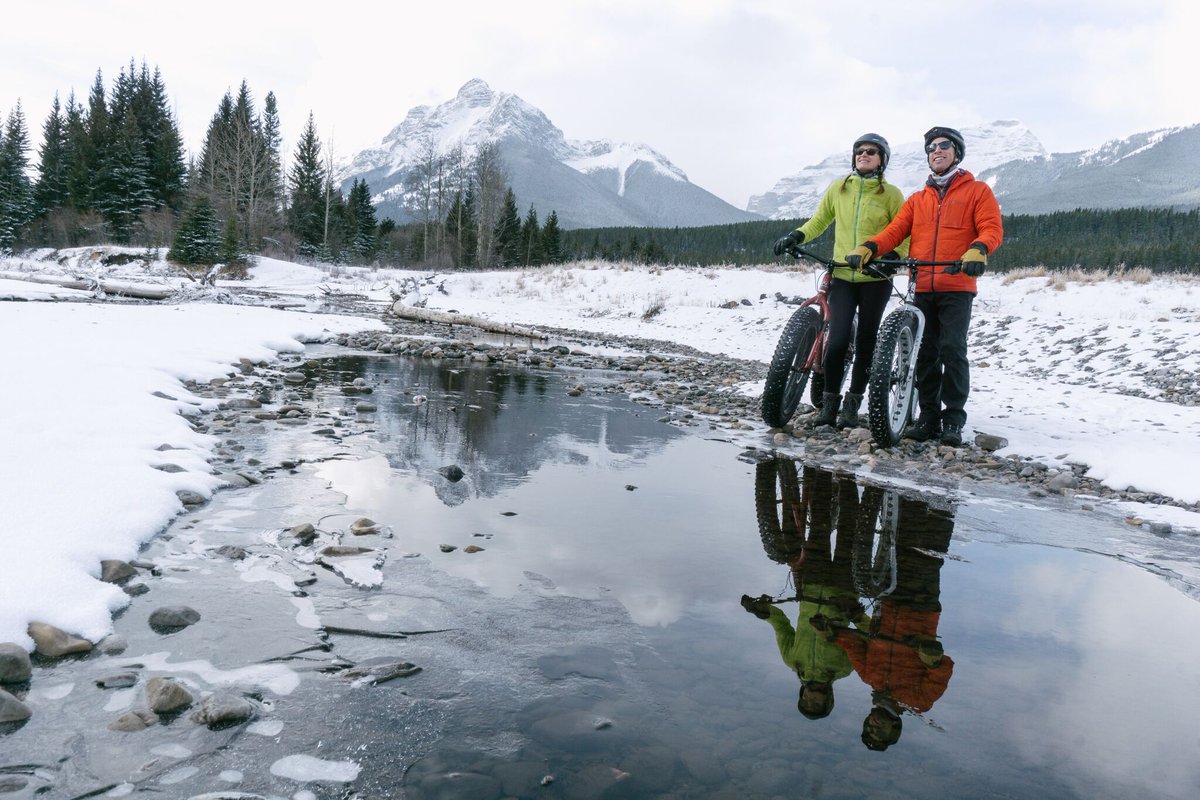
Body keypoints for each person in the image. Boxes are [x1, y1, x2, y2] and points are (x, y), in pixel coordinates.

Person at [845, 126, 1003, 446]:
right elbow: (895, 231)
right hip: (922, 284)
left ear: (956, 153)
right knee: (925, 353)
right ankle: (929, 416)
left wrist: (978, 249)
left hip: (957, 284)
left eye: (944, 146)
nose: (937, 151)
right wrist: (870, 248)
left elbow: (991, 228)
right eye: (932, 148)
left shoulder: (977, 191)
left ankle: (953, 419)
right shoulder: (918, 199)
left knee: (952, 349)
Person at [772, 134, 909, 429]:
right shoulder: (839, 189)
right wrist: (796, 235)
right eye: (859, 151)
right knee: (837, 341)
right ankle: (829, 405)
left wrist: (893, 256)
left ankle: (852, 404)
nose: (864, 154)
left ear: (882, 159)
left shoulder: (892, 195)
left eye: (871, 151)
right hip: (843, 276)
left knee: (866, 341)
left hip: (876, 277)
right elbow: (819, 221)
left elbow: (905, 232)